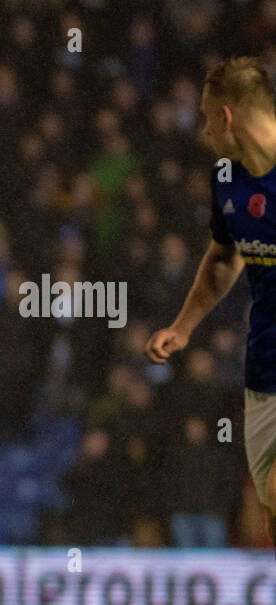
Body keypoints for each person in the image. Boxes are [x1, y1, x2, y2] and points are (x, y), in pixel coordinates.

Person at [146, 57, 276, 551]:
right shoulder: (226, 178)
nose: (203, 130)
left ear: (225, 116)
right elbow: (224, 258)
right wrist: (183, 328)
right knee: (271, 507)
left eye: (205, 117)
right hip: (264, 370)